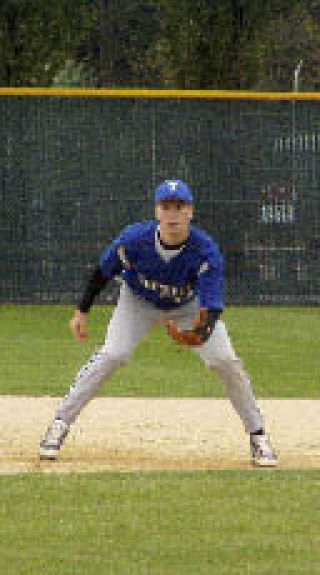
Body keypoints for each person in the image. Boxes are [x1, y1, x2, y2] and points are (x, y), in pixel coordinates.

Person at [40, 180, 278, 467]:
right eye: (166, 207)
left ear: (190, 211)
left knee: (225, 360)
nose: (173, 214)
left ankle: (258, 435)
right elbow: (102, 272)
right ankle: (59, 424)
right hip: (137, 302)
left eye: (179, 207)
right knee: (113, 354)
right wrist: (82, 312)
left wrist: (199, 333)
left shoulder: (205, 251)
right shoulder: (134, 240)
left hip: (187, 306)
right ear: (157, 211)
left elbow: (211, 306)